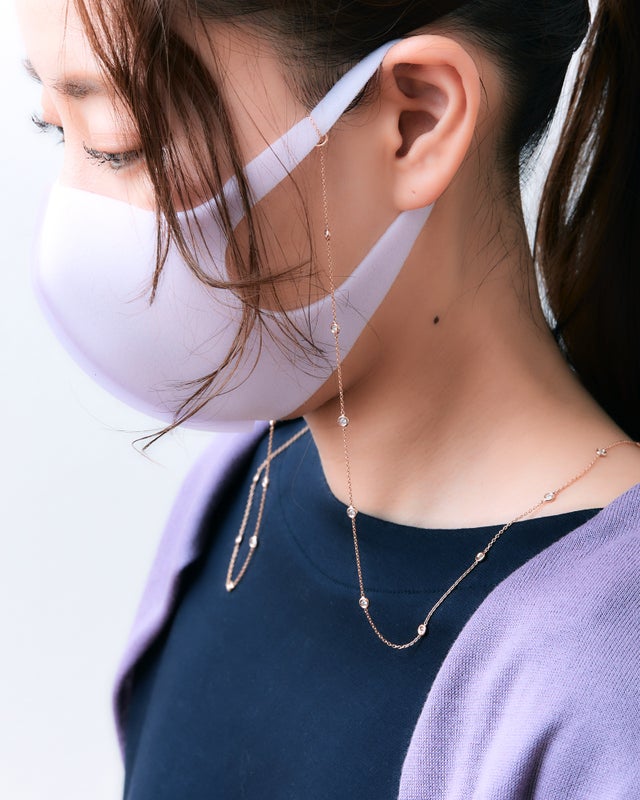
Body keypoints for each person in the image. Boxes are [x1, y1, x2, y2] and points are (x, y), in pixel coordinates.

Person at [17, 0, 640, 797]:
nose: (72, 218)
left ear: (416, 120)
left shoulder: (605, 687)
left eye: (117, 146)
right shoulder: (236, 491)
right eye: (54, 128)